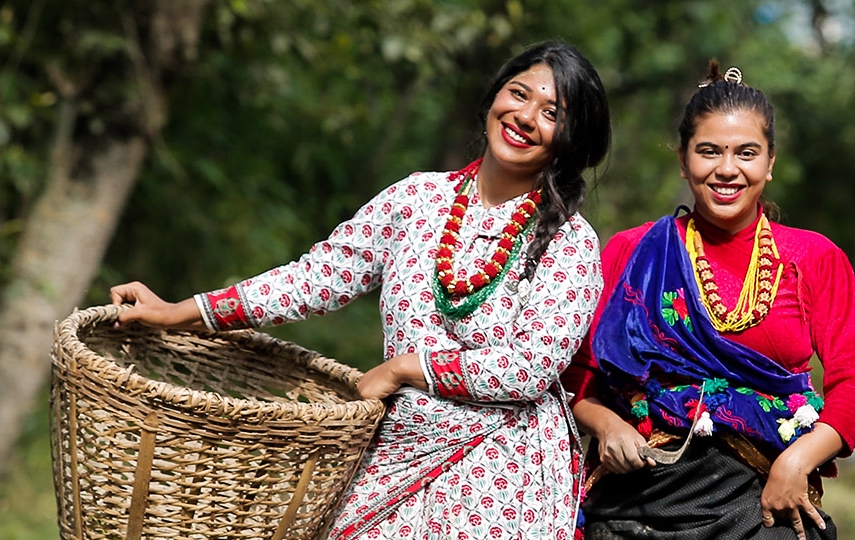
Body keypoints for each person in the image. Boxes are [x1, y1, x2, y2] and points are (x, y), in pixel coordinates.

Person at [106, 40, 611, 540]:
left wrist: (403, 368)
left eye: (552, 113)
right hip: (393, 449)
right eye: (519, 94)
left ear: (572, 142)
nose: (525, 116)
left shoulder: (570, 242)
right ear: (495, 96)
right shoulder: (418, 197)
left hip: (498, 471)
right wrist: (180, 312)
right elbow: (316, 276)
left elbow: (527, 369)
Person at [559, 63, 855, 540]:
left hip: (764, 490)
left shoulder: (813, 258)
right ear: (683, 161)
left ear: (770, 163)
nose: (727, 169)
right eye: (709, 152)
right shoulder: (635, 251)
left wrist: (797, 460)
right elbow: (579, 373)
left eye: (746, 153)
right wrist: (607, 426)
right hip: (639, 495)